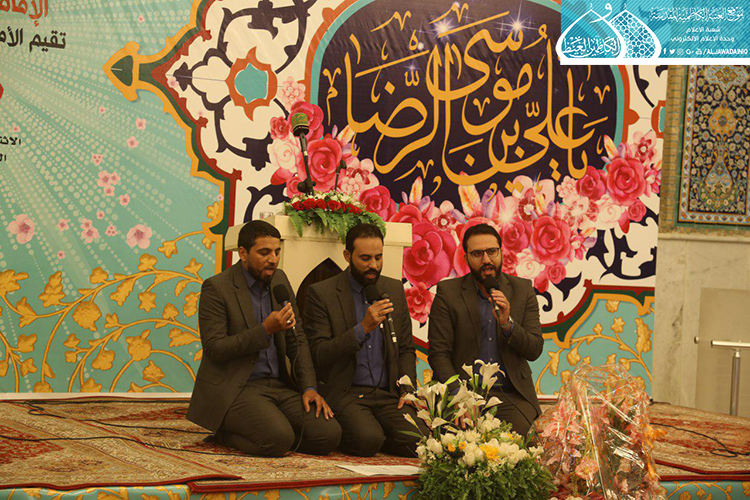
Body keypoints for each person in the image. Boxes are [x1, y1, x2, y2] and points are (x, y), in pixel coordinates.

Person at [187, 220, 341, 456]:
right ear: (243, 253)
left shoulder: (279, 280)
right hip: (238, 387)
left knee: (329, 435)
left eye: (277, 252)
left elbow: (297, 338)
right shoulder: (217, 288)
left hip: (278, 386)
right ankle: (225, 433)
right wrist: (265, 330)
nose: (273, 259)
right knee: (277, 439)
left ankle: (273, 427)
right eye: (264, 252)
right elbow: (214, 348)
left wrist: (309, 387)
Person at [303, 223, 426, 457]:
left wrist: (407, 390)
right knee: (368, 440)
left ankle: (384, 433)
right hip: (347, 392)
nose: (374, 265)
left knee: (419, 440)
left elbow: (406, 348)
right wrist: (363, 329)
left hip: (388, 394)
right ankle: (373, 433)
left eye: (378, 257)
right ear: (347, 256)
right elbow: (319, 353)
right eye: (365, 258)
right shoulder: (322, 293)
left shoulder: (393, 288)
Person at [428, 223, 543, 436]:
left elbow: (534, 349)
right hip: (462, 393)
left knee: (521, 442)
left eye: (492, 252)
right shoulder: (448, 292)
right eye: (477, 254)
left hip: (510, 394)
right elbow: (438, 354)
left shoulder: (522, 290)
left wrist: (508, 324)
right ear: (466, 258)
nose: (486, 260)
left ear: (501, 252)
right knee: (458, 445)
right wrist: (459, 395)